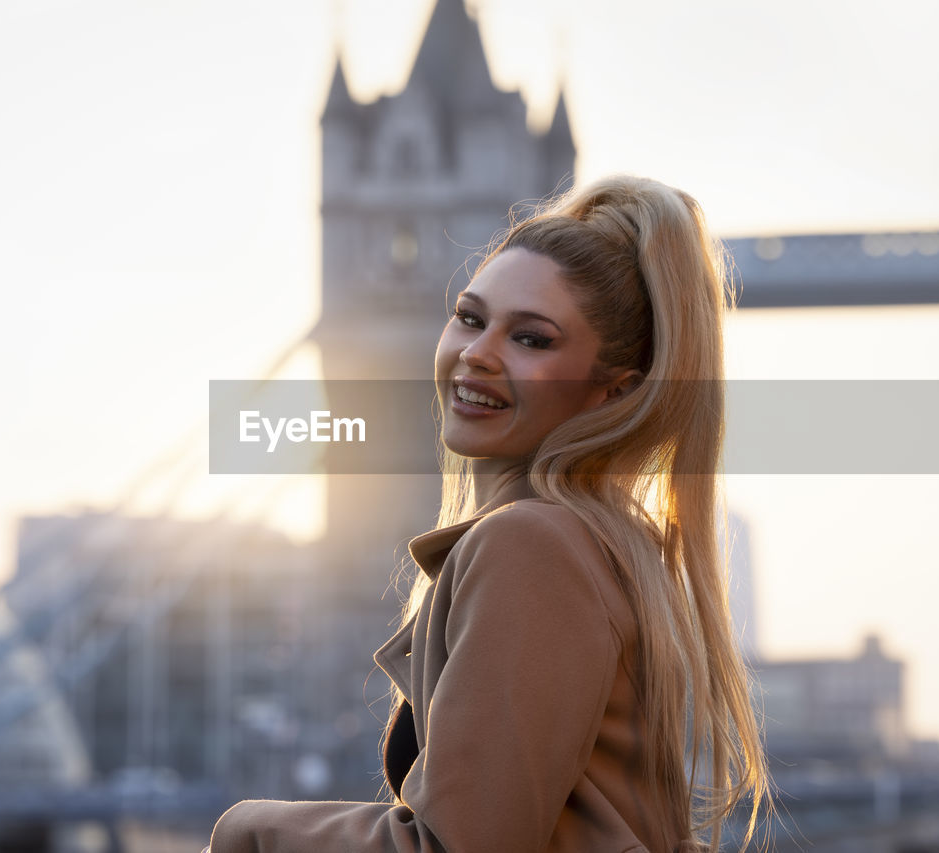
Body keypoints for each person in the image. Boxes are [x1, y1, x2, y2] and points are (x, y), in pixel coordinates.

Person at [206, 175, 769, 852]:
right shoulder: (607, 539)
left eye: (531, 339)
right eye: (470, 318)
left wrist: (246, 829)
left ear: (612, 389)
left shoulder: (535, 545)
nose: (477, 352)